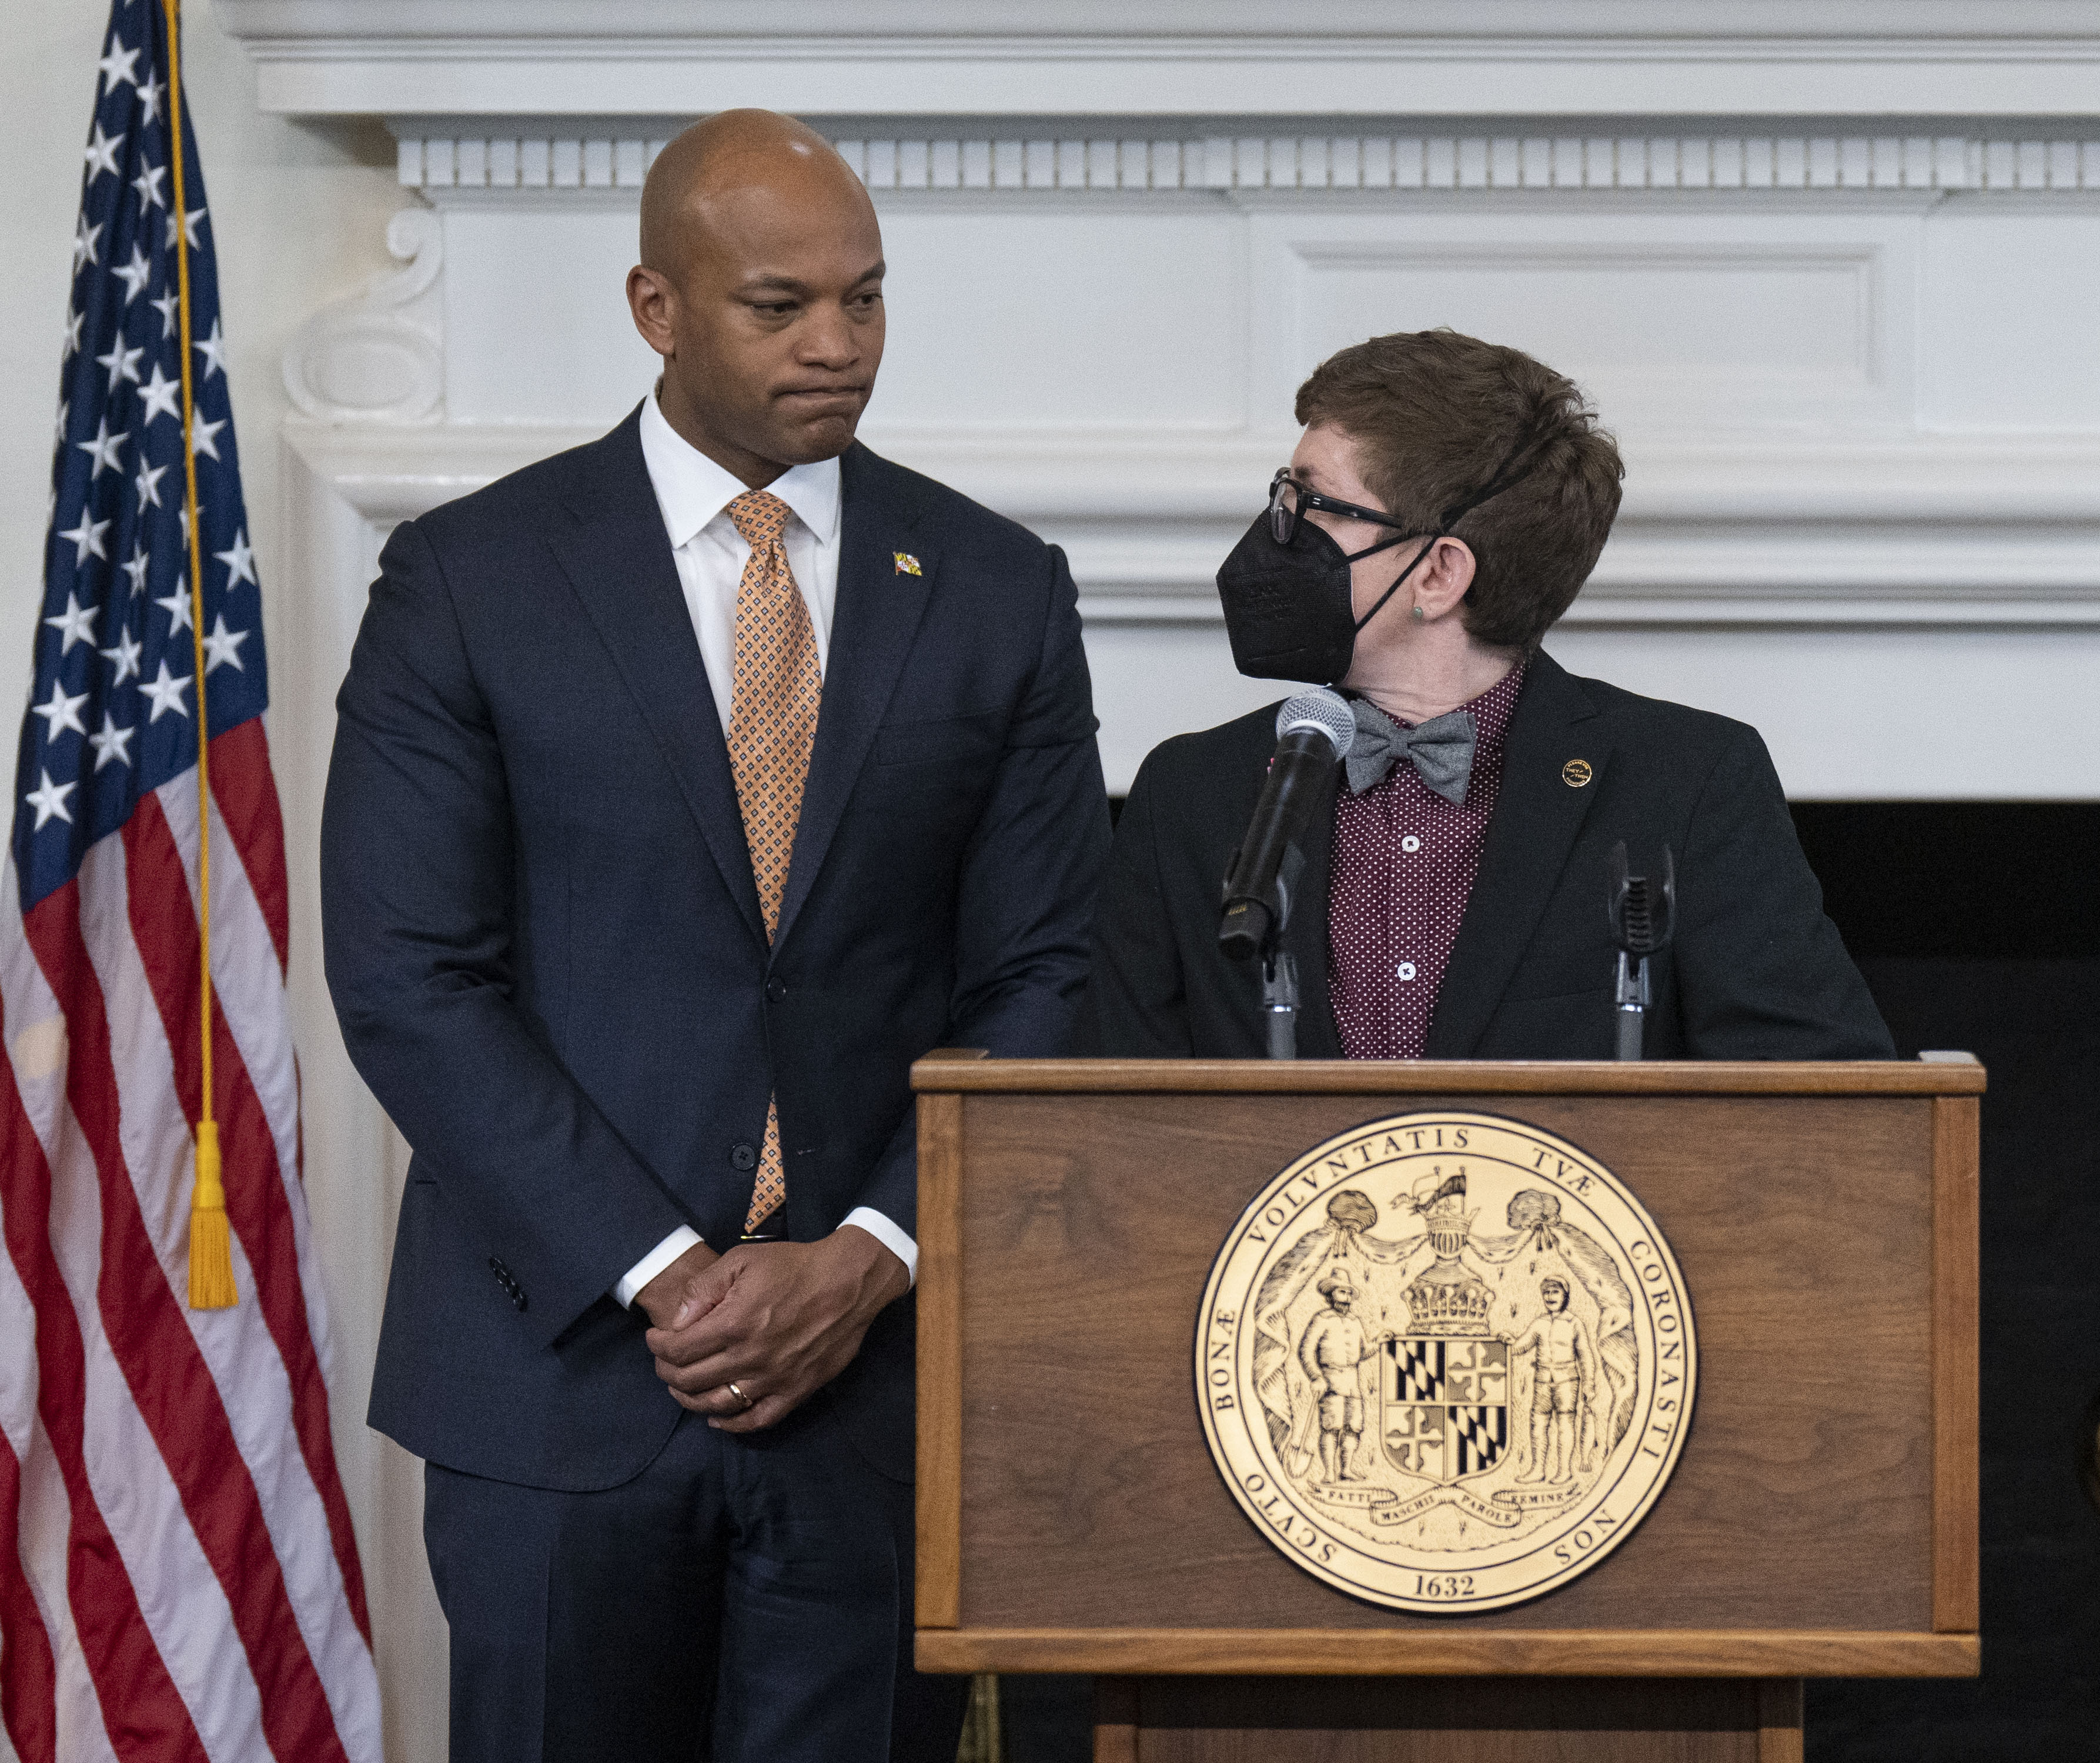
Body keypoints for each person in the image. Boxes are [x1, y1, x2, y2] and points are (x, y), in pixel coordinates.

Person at [321, 110, 1108, 1762]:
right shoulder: (469, 579)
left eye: (868, 298)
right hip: (564, 1372)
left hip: (871, 1381)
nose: (839, 344)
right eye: (779, 304)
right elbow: (411, 973)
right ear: (655, 305)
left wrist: (866, 1255)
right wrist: (669, 1271)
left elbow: (1046, 970)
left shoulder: (994, 583)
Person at [1078, 329, 1891, 1061]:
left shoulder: (1688, 782)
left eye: (1308, 503)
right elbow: (1107, 1117)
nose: (1275, 532)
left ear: (1436, 573)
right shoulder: (1189, 793)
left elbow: (1821, 1104)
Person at [1297, 1270, 1380, 1483]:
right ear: (1331, 1294)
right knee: (1331, 1427)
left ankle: (1347, 1469)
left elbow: (1361, 1353)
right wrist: (1316, 1376)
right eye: (1342, 1292)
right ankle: (1329, 1473)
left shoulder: (1355, 1321)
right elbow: (1306, 1351)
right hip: (1330, 1381)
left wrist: (1378, 1343)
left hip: (1353, 1383)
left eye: (1349, 1293)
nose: (1347, 1297)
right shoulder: (1321, 1320)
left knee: (1353, 1428)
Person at [1513, 1279, 1596, 1484]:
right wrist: (1508, 1342)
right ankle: (1538, 1470)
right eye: (1547, 1293)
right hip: (1542, 1381)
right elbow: (1521, 1345)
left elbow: (1585, 1355)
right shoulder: (1539, 1323)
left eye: (1555, 1292)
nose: (1550, 1297)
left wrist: (1589, 1383)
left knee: (1565, 1425)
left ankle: (1564, 1471)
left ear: (1565, 1295)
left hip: (1567, 1382)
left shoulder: (1575, 1323)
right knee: (1538, 1425)